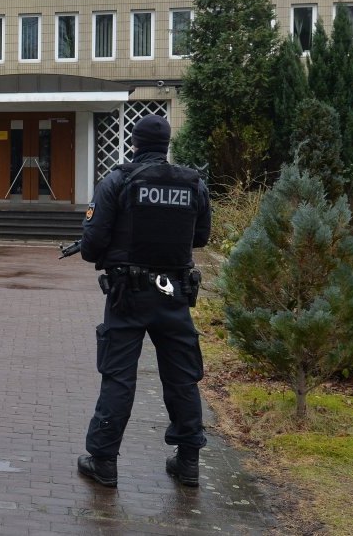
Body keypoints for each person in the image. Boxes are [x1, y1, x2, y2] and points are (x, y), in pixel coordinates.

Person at [75, 114, 212, 488]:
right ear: (167, 144)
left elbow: (91, 246)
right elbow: (200, 237)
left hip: (129, 295)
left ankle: (103, 461)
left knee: (119, 376)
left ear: (134, 142)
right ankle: (188, 461)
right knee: (182, 377)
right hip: (174, 292)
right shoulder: (193, 184)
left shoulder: (118, 180)